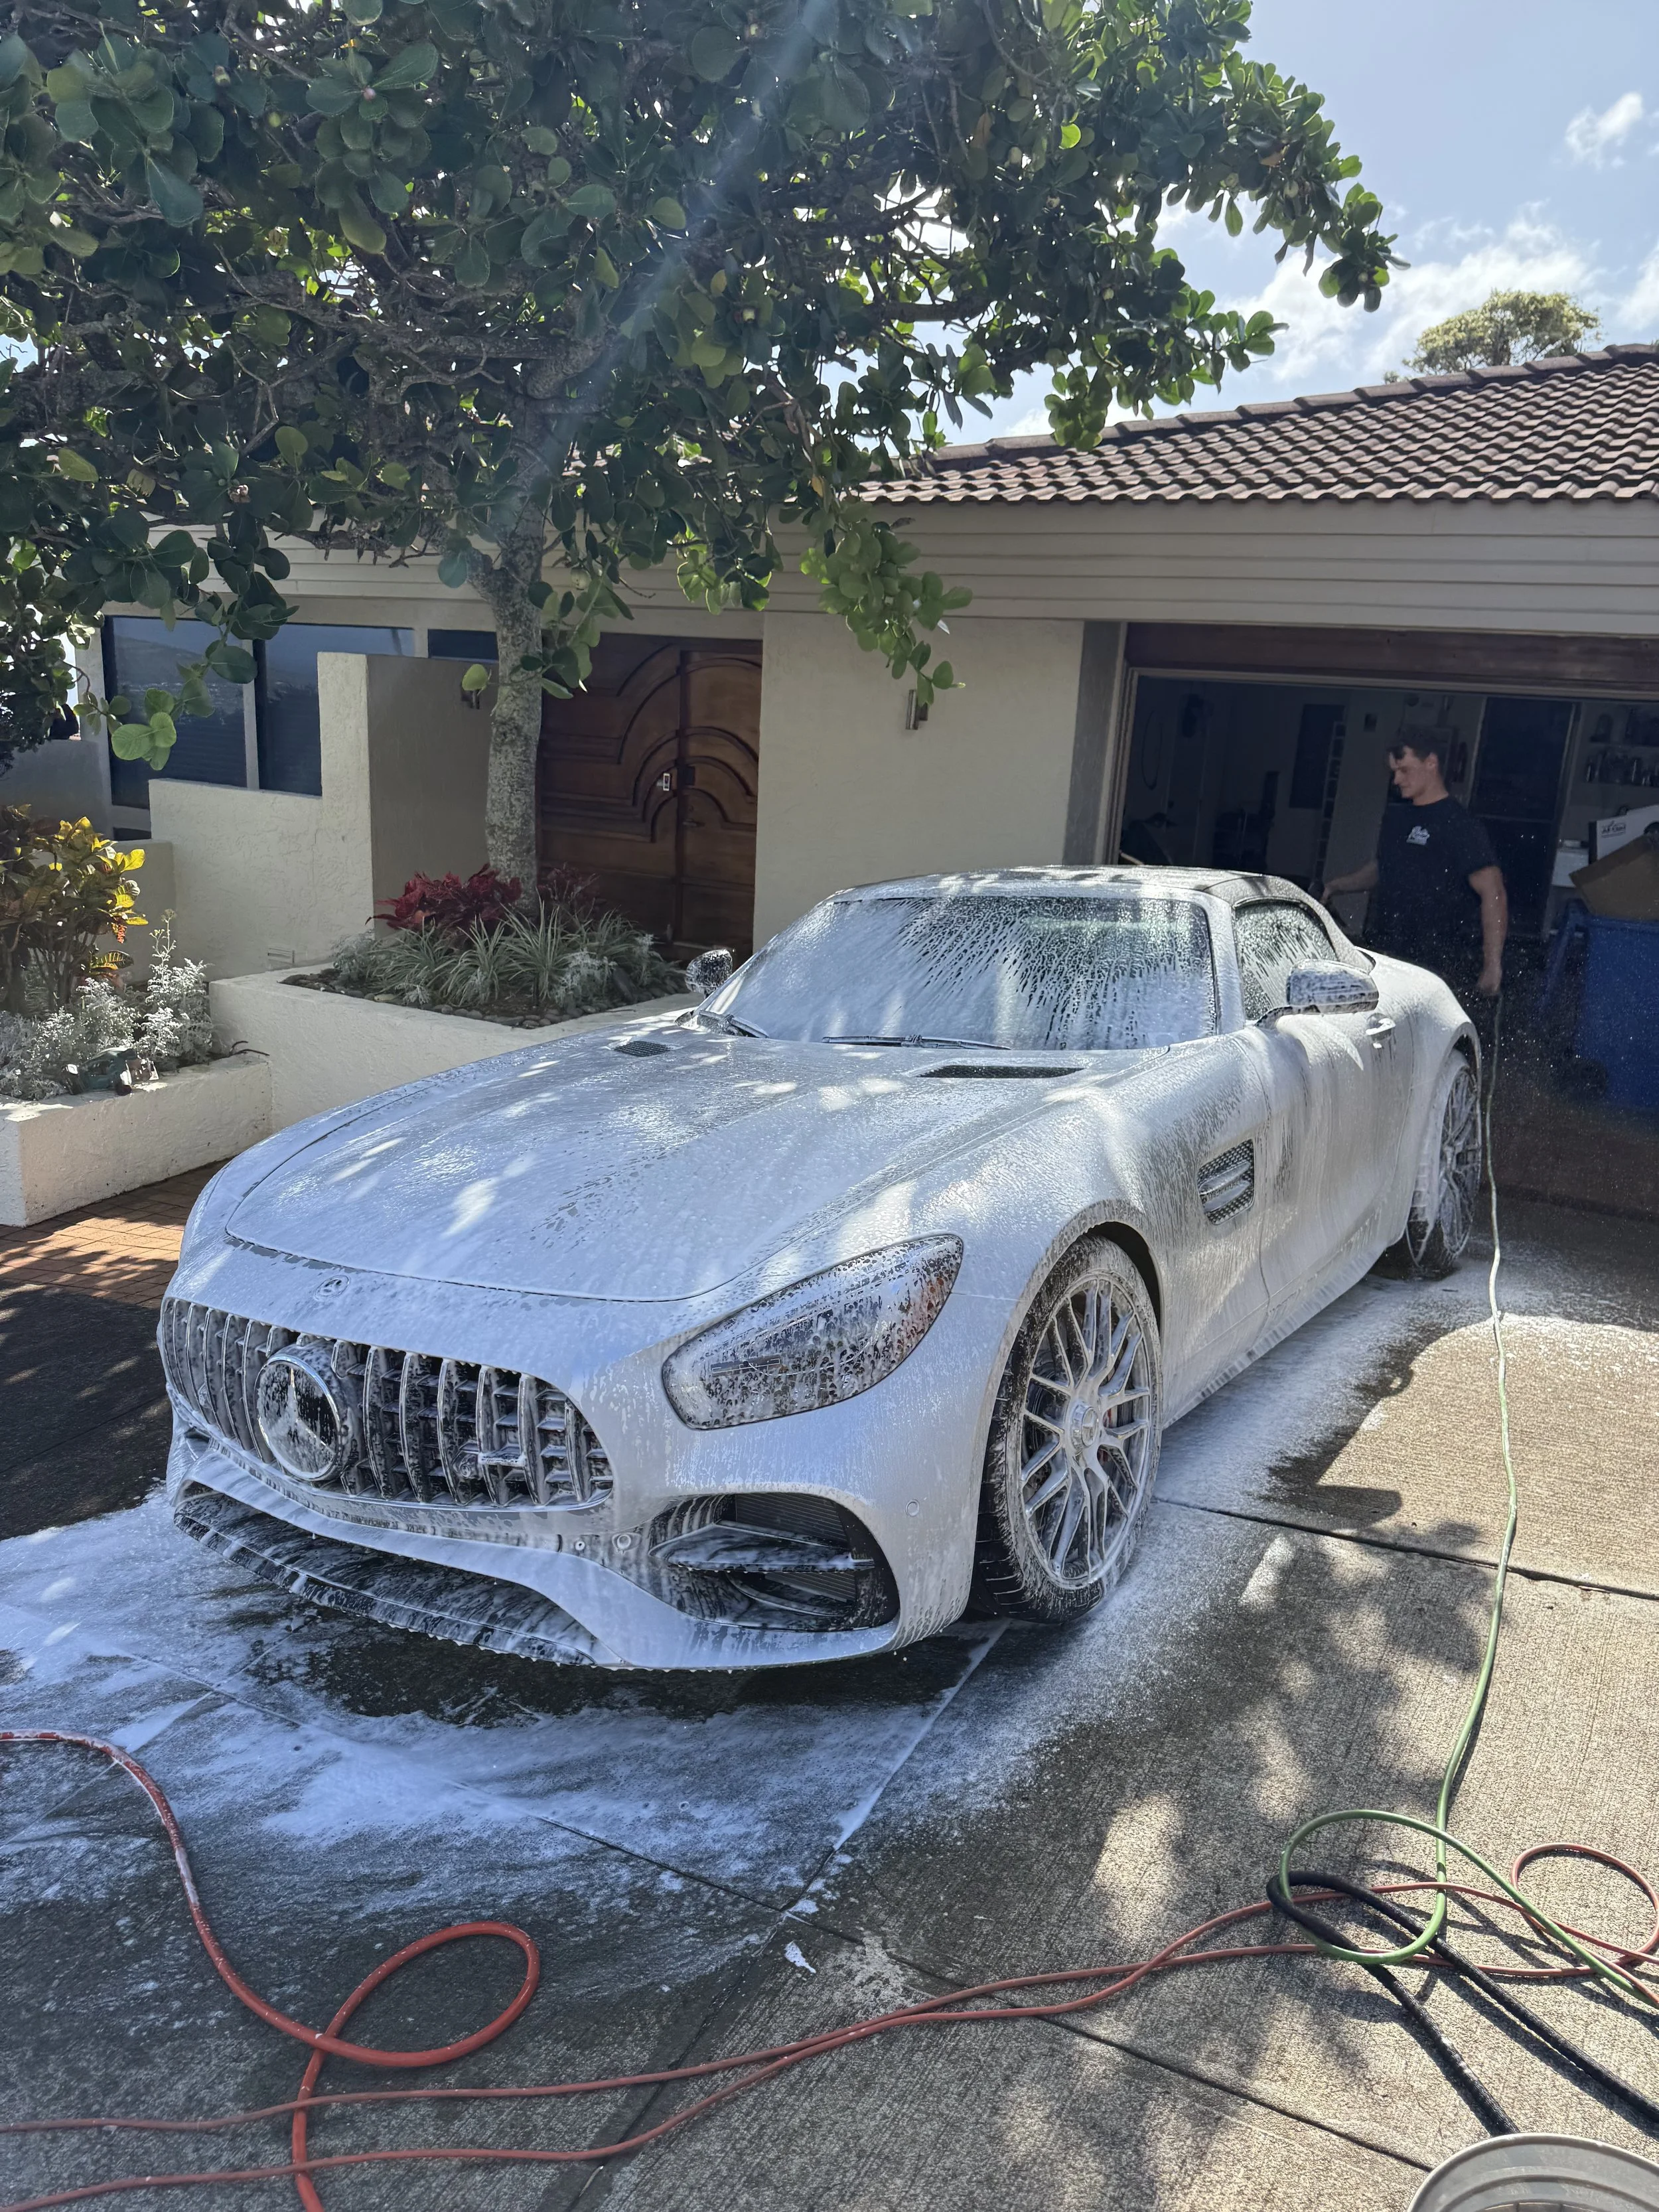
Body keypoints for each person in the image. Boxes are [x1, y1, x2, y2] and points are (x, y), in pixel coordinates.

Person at [1320, 739, 1508, 1009]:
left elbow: (1494, 892)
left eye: (1404, 770)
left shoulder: (1460, 825)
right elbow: (1383, 868)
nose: (1397, 780)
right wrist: (1338, 886)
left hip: (1439, 961)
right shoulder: (1396, 817)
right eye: (1394, 772)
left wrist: (1493, 965)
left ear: (1431, 763)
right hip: (1387, 951)